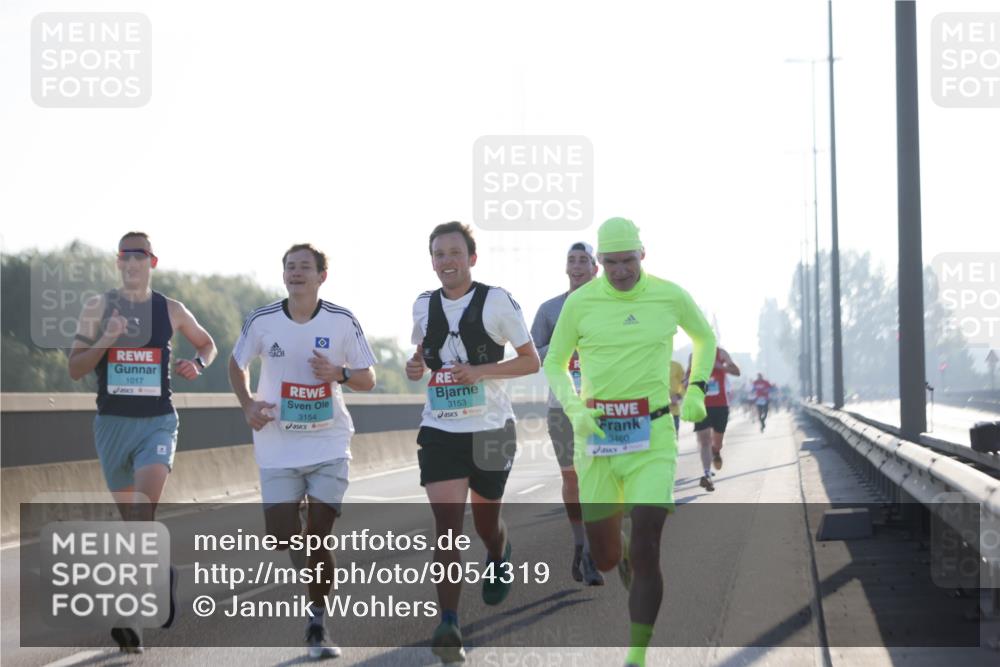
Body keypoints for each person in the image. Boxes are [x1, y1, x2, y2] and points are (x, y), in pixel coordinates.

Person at [542, 217, 716, 667]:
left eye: (628, 260)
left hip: (653, 435)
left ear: (643, 255)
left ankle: (636, 655)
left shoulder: (669, 294)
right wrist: (576, 408)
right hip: (597, 439)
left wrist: (696, 388)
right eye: (612, 262)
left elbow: (704, 336)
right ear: (600, 262)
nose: (621, 270)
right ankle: (612, 549)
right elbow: (555, 363)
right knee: (603, 559)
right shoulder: (580, 303)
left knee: (647, 545)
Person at [69, 231, 217, 653]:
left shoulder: (169, 309)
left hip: (157, 422)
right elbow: (76, 369)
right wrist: (107, 339)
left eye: (140, 255)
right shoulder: (98, 308)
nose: (131, 262)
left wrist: (198, 363)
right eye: (124, 255)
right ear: (118, 263)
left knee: (140, 512)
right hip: (112, 425)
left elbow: (207, 344)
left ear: (152, 262)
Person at [229, 243, 377, 660]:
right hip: (277, 444)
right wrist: (247, 404)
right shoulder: (262, 321)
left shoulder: (342, 320)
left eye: (304, 268)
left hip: (328, 441)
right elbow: (235, 363)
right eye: (290, 267)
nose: (296, 273)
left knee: (317, 536)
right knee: (282, 536)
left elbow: (368, 378)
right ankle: (311, 566)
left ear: (321, 276)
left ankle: (316, 620)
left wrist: (340, 373)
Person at [405, 222, 539, 664]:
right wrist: (414, 366)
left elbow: (530, 361)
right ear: (432, 261)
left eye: (454, 252)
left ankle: (499, 553)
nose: (447, 261)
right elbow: (425, 357)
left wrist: (481, 372)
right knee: (447, 529)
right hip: (442, 429)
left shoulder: (496, 300)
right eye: (439, 254)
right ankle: (449, 623)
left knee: (485, 526)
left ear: (472, 258)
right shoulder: (423, 305)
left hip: (492, 429)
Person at [530, 241, 603, 586]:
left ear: (595, 268)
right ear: (566, 268)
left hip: (605, 408)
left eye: (583, 260)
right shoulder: (549, 310)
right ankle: (581, 546)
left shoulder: (611, 305)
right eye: (571, 260)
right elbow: (531, 352)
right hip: (561, 408)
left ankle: (601, 544)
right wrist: (564, 347)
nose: (577, 266)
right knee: (573, 478)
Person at [690, 347, 741, 492]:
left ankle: (716, 451)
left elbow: (737, 372)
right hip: (701, 405)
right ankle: (707, 475)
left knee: (716, 442)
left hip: (720, 405)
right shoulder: (694, 355)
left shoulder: (721, 353)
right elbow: (688, 376)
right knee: (704, 440)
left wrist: (720, 367)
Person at [669, 360, 686, 436]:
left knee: (672, 444)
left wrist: (678, 396)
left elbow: (685, 384)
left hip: (673, 412)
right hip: (650, 414)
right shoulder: (648, 366)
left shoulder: (676, 366)